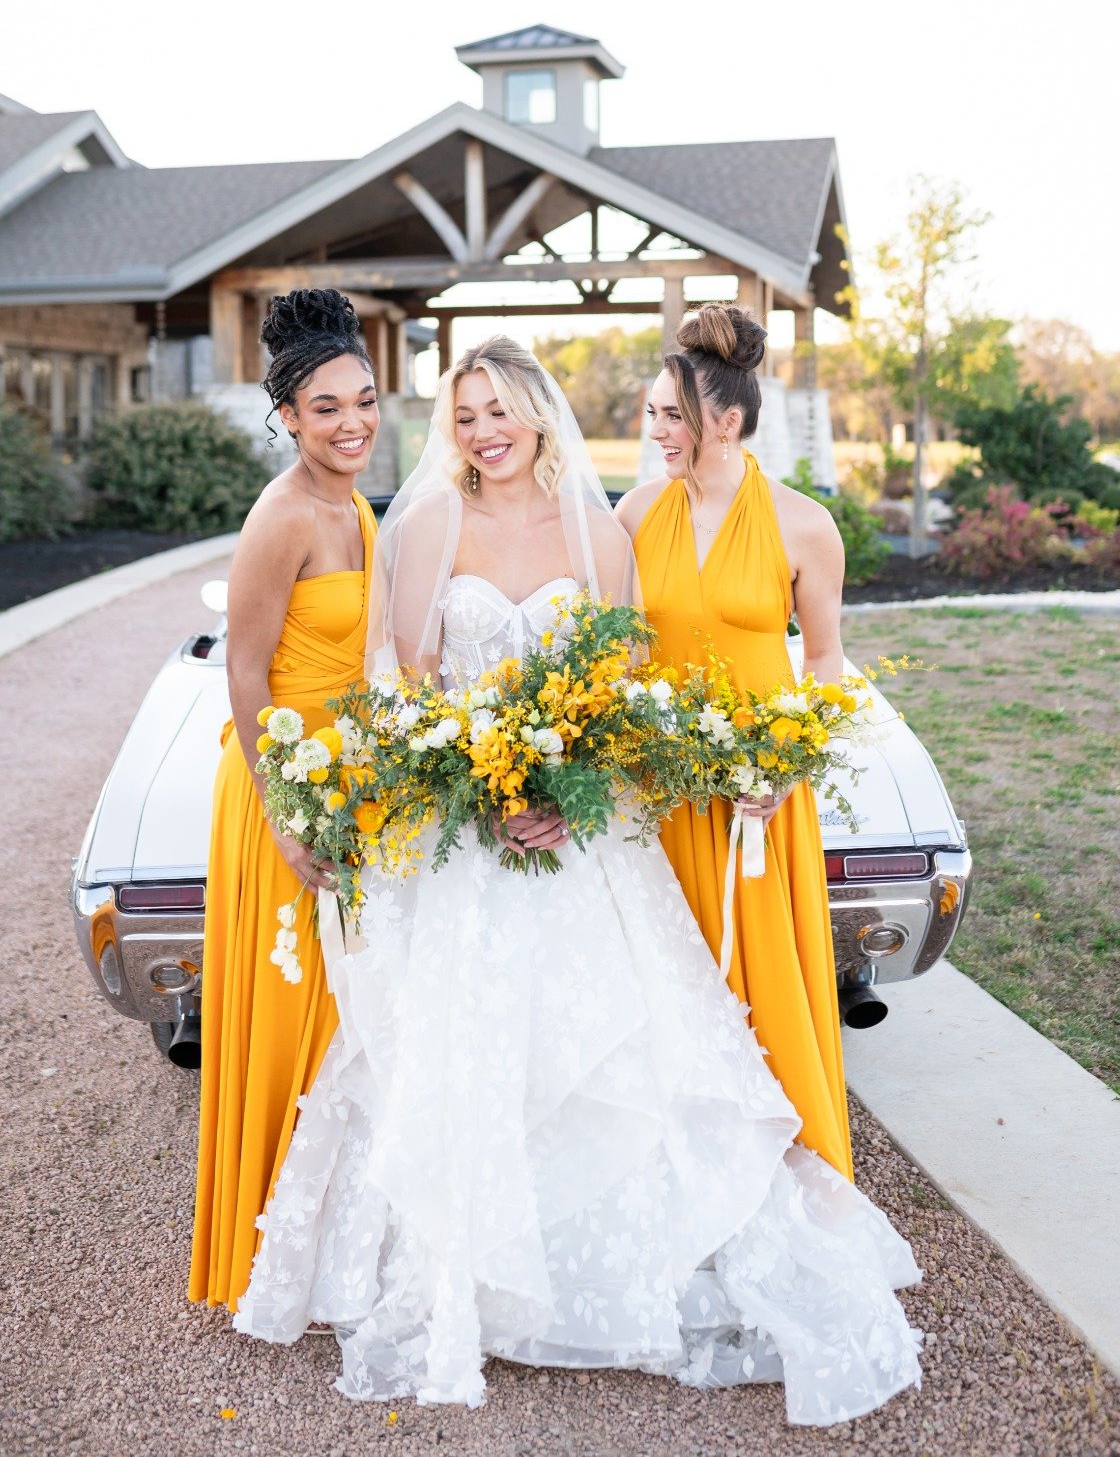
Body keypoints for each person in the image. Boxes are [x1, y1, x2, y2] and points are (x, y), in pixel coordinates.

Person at [233, 336, 921, 1425]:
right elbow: (403, 681)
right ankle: (475, 1271)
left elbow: (626, 677)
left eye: (500, 410)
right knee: (458, 1051)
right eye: (464, 417)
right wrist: (471, 775)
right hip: (462, 831)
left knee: (622, 1046)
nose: (483, 432)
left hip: (581, 833)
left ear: (541, 415)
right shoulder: (420, 526)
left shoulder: (605, 529)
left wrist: (569, 776)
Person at [615, 302, 853, 1180]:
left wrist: (791, 766)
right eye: (651, 413)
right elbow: (614, 647)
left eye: (672, 415)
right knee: (666, 982)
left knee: (763, 985)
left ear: (728, 420)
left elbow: (824, 661)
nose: (656, 433)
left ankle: (785, 1166)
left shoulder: (804, 524)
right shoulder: (637, 512)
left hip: (761, 796)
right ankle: (677, 1176)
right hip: (660, 795)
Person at [188, 289, 379, 1313]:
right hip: (285, 783)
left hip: (350, 779)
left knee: (349, 1020)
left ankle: (336, 1245)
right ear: (288, 418)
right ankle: (272, 1255)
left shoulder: (351, 502)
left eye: (363, 399)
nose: (351, 422)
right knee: (292, 1011)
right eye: (325, 407)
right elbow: (246, 675)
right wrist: (285, 810)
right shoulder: (283, 514)